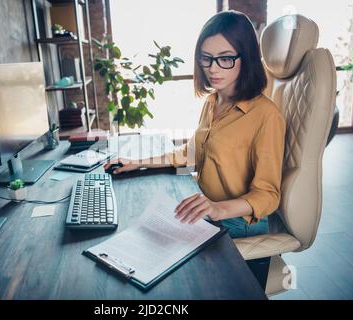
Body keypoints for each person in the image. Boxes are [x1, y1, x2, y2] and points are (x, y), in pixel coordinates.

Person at [104, 11, 285, 239]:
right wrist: (136, 163)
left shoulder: (266, 115)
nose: (213, 68)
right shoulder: (213, 101)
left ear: (246, 57)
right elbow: (190, 154)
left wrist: (218, 208)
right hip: (204, 204)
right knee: (137, 222)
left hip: (237, 220)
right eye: (206, 57)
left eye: (225, 58)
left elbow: (268, 195)